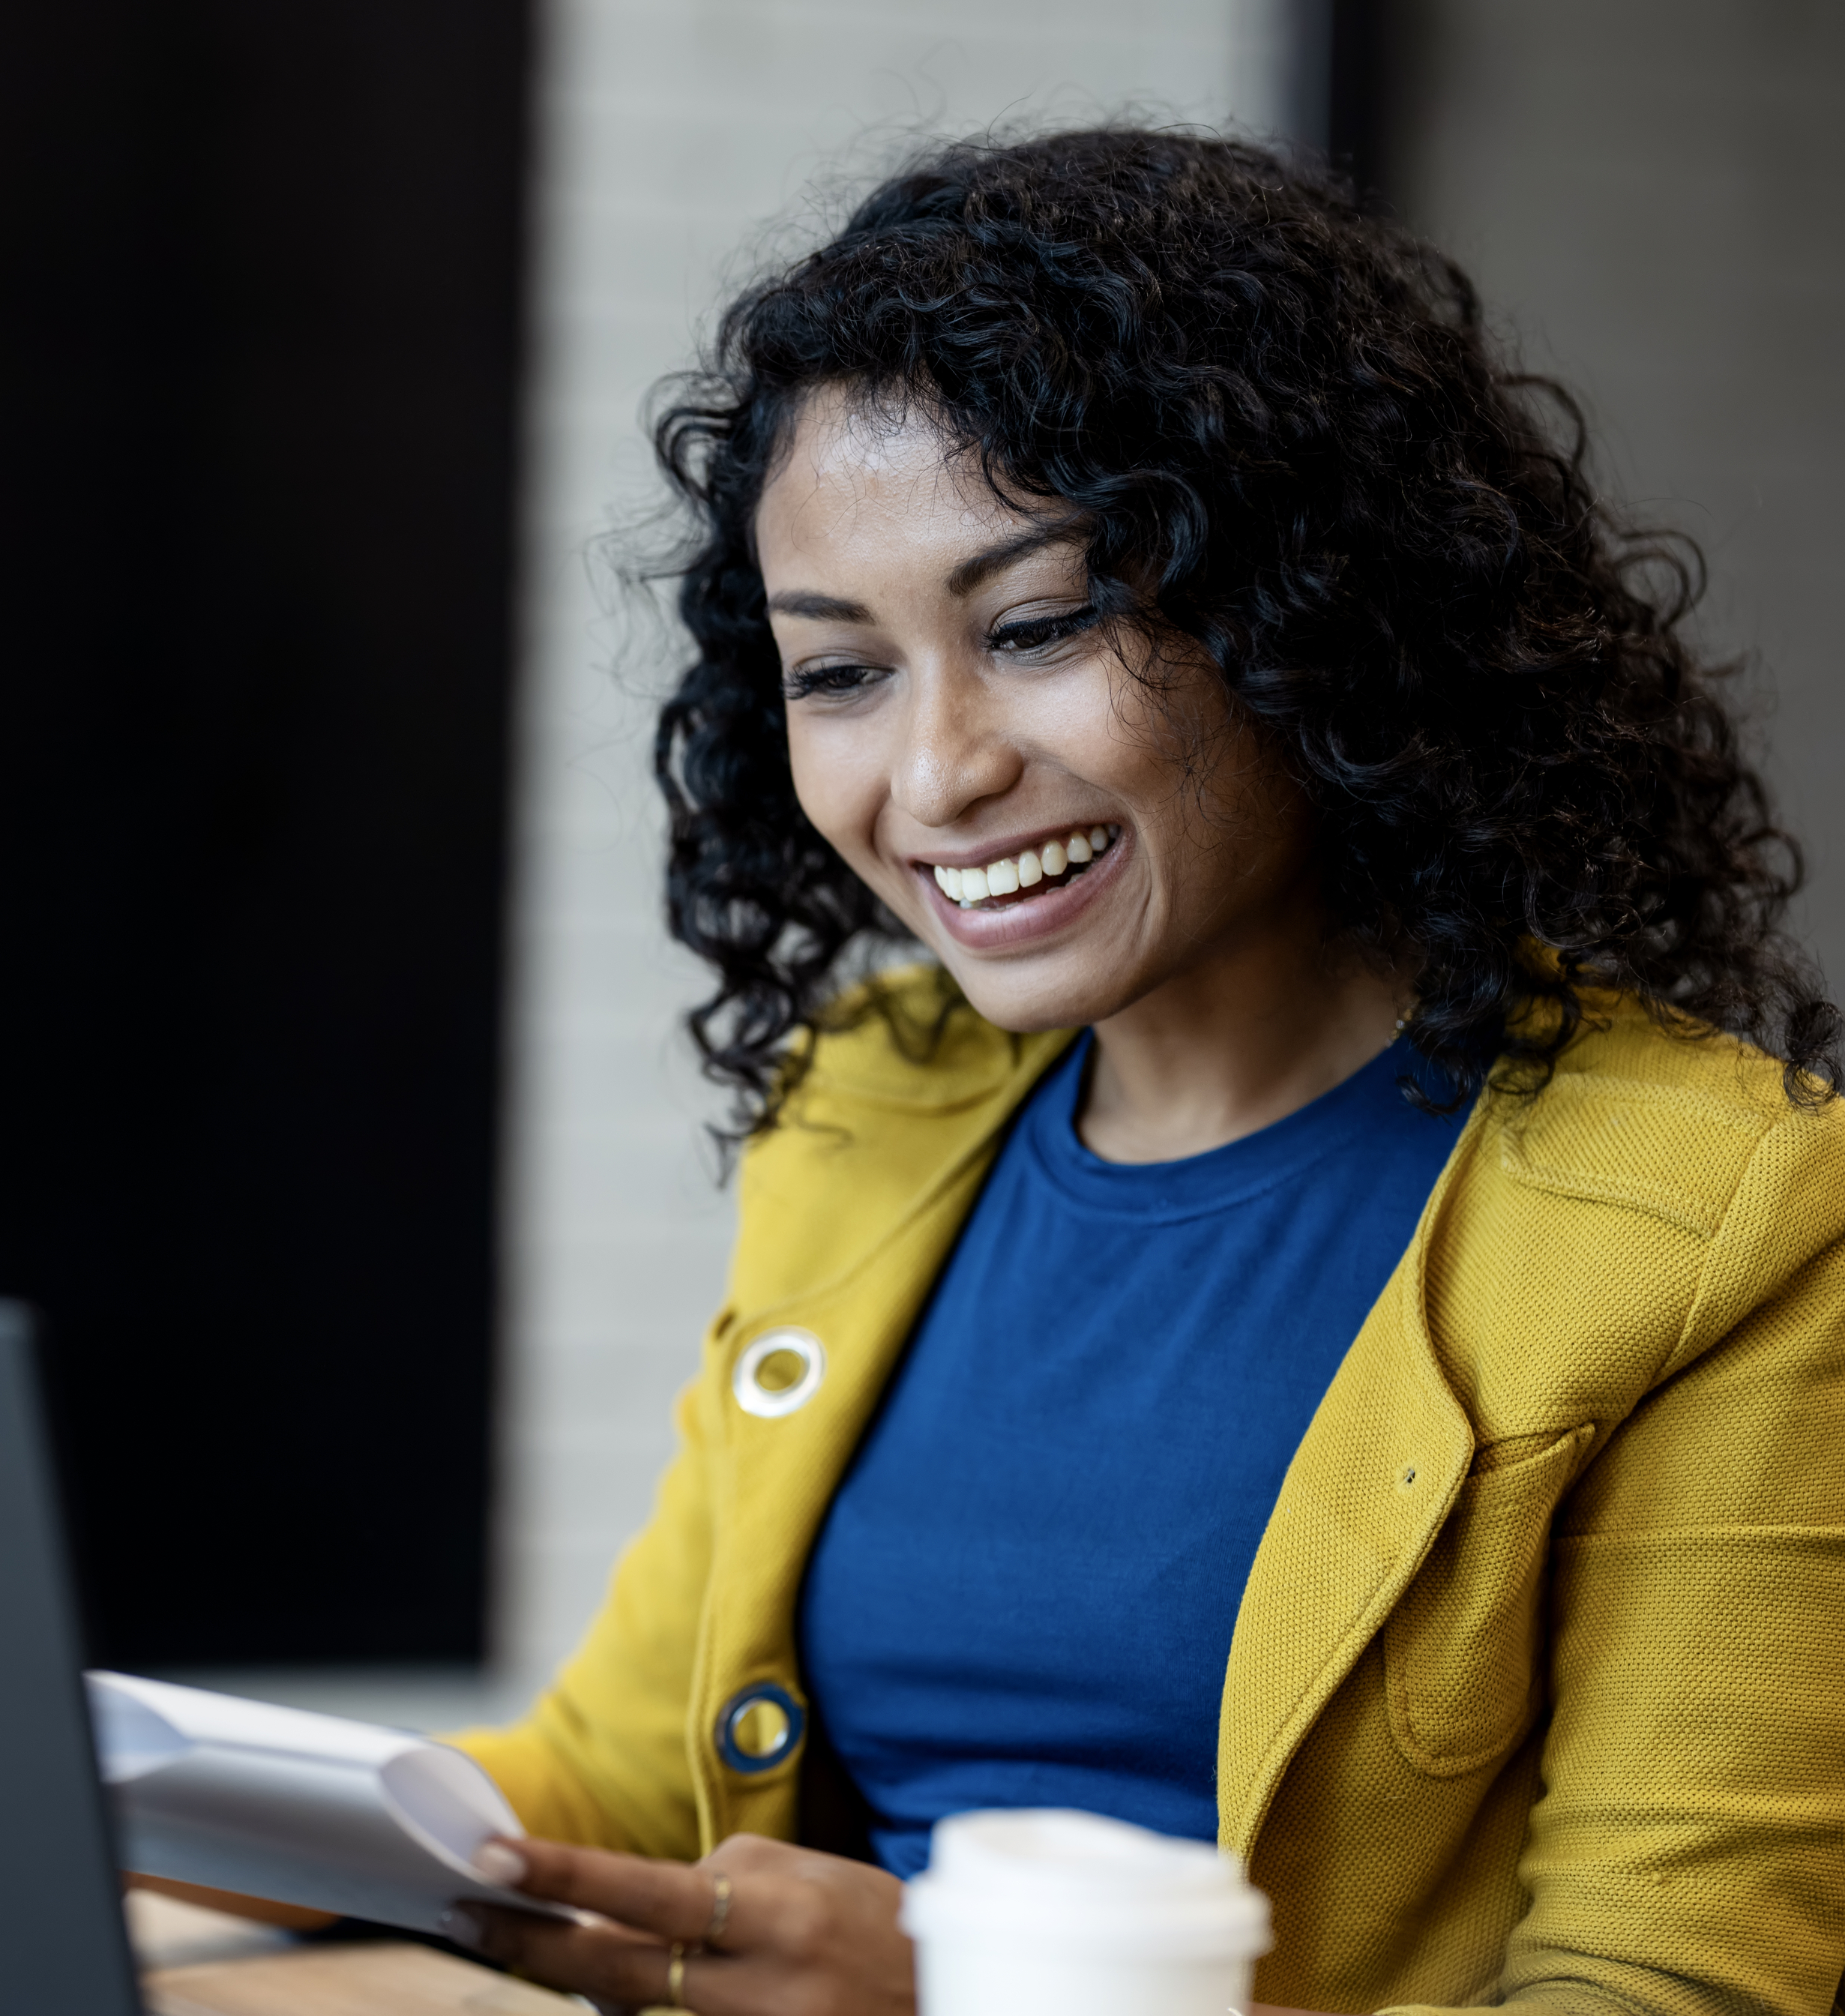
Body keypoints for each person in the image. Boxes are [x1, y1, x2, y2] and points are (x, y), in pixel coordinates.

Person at [443, 129, 1845, 2016]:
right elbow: (600, 1784)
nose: (933, 779)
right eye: (837, 673)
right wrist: (134, 1791)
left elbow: (1668, 1995)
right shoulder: (876, 1109)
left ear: (1310, 614)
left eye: (1034, 629)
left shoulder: (1719, 1229)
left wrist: (959, 1995)